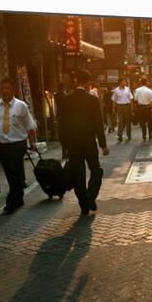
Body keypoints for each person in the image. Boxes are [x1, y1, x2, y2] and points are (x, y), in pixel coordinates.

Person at [0, 77, 37, 214]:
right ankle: (18, 198)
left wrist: (33, 142)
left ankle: (10, 203)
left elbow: (29, 126)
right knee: (10, 173)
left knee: (14, 172)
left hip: (17, 145)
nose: (5, 91)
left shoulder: (21, 106)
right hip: (1, 145)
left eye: (8, 88)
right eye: (3, 88)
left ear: (13, 89)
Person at [61, 71, 110, 215]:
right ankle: (91, 196)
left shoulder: (66, 100)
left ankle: (84, 204)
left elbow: (62, 125)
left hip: (73, 145)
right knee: (96, 170)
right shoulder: (92, 100)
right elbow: (98, 124)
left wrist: (65, 146)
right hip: (89, 142)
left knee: (78, 175)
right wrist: (103, 145)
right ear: (88, 83)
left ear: (76, 81)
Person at [111, 78, 133, 142]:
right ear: (120, 83)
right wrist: (113, 108)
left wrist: (132, 108)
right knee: (121, 121)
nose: (125, 83)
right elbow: (114, 100)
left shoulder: (127, 89)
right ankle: (120, 135)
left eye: (125, 82)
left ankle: (129, 134)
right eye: (124, 81)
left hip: (127, 106)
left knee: (128, 121)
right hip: (120, 107)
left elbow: (131, 98)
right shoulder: (116, 90)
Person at [54, 82, 68, 159]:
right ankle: (66, 152)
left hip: (59, 116)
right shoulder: (64, 96)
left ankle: (64, 153)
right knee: (65, 135)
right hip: (65, 117)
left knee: (62, 136)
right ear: (63, 87)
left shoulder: (56, 95)